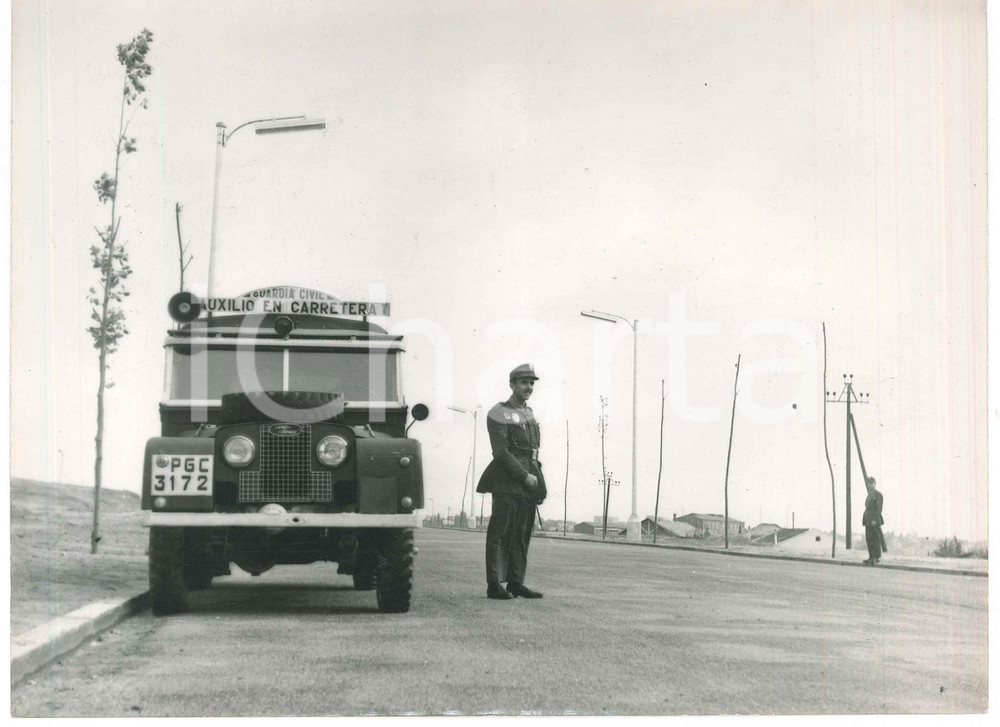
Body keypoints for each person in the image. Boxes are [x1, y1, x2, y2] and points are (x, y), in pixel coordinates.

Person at [476, 363, 547, 600]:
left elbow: (533, 452)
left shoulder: (529, 413)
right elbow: (501, 451)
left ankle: (516, 582)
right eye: (524, 382)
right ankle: (494, 584)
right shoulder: (499, 412)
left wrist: (537, 482)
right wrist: (523, 476)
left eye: (531, 383)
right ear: (512, 384)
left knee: (522, 532)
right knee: (500, 532)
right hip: (507, 479)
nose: (529, 387)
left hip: (529, 479)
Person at [862, 476, 886, 565]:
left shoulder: (878, 494)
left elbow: (879, 508)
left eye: (872, 483)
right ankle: (871, 557)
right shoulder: (869, 495)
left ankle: (876, 557)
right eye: (869, 484)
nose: (870, 485)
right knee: (869, 539)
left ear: (875, 484)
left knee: (875, 538)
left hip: (873, 520)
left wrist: (874, 519)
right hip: (867, 521)